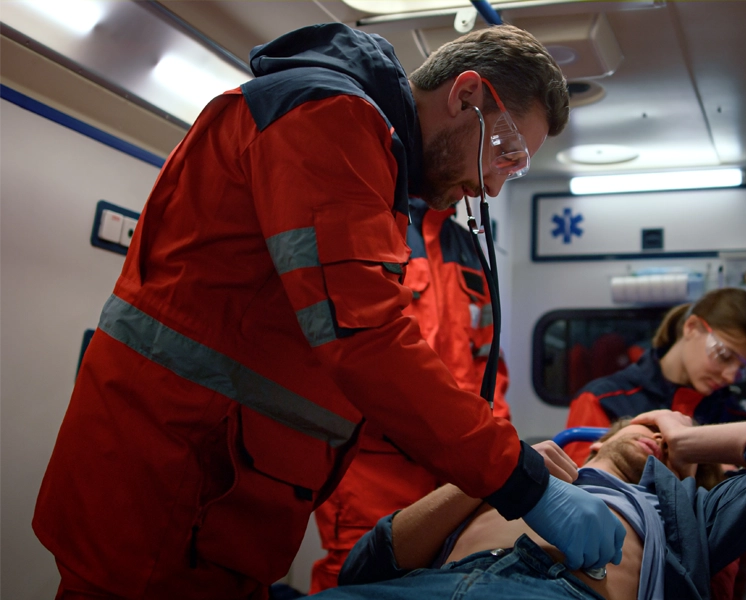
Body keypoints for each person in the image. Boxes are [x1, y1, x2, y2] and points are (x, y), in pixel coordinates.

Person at [32, 22, 629, 600]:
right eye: (504, 150)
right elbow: (366, 337)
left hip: (213, 493)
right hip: (165, 487)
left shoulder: (371, 163)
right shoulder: (329, 118)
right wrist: (522, 485)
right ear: (466, 94)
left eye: (514, 168)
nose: (495, 186)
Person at [310, 410, 746, 600]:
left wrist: (688, 444)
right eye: (647, 424)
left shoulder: (686, 514)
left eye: (668, 436)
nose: (657, 435)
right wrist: (501, 474)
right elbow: (362, 570)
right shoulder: (512, 473)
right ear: (599, 440)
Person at [310, 195, 512, 592]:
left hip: (458, 468)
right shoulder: (373, 222)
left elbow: (488, 361)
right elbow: (352, 350)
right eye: (502, 152)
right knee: (359, 579)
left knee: (446, 579)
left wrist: (497, 446)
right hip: (373, 464)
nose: (494, 179)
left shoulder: (469, 247)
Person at [566, 287, 746, 464]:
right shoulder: (601, 400)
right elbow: (584, 492)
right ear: (691, 327)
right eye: (724, 356)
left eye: (743, 369)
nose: (730, 376)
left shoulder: (735, 419)